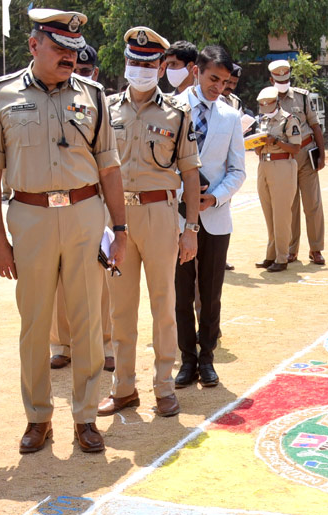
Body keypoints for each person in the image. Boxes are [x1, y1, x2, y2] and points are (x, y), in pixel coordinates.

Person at [0, 7, 127, 455]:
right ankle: (38, 417)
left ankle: (85, 417)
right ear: (34, 45)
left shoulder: (94, 94)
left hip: (84, 214)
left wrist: (119, 229)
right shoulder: (0, 94)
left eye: (74, 49)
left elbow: (110, 168)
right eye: (59, 47)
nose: (68, 56)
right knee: (35, 323)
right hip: (30, 217)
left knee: (88, 320)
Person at [97, 26, 200, 421]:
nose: (140, 69)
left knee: (164, 307)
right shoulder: (106, 109)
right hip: (116, 220)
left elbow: (190, 173)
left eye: (148, 63)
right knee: (120, 309)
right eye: (133, 62)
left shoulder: (178, 113)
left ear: (160, 68)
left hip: (159, 215)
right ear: (125, 65)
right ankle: (123, 388)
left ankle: (164, 387)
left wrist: (190, 229)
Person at [173, 44, 245, 390]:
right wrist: (181, 194)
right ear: (196, 72)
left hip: (215, 218)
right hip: (174, 216)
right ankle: (186, 359)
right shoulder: (171, 109)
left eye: (224, 81)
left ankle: (207, 358)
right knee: (181, 291)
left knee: (211, 291)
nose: (218, 86)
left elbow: (237, 171)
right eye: (213, 78)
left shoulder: (231, 118)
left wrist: (213, 197)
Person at [51, 42, 113, 374]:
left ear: (95, 73)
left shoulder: (99, 103)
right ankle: (63, 344)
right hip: (51, 202)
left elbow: (108, 161)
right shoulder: (43, 101)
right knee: (58, 276)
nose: (78, 75)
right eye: (74, 69)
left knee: (99, 276)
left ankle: (106, 342)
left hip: (91, 201)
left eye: (85, 71)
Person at [268, 59, 325, 265]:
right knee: (289, 205)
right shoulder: (268, 100)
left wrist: (322, 155)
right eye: (278, 80)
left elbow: (315, 126)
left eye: (286, 79)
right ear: (271, 79)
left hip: (307, 152)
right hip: (285, 157)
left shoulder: (302, 97)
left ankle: (316, 249)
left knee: (313, 203)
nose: (283, 83)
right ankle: (292, 250)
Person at [254, 85, 303, 272]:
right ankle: (271, 255)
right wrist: (257, 142)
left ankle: (282, 257)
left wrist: (275, 141)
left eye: (269, 104)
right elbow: (258, 147)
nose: (266, 108)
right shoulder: (263, 120)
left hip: (283, 165)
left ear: (277, 102)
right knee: (268, 213)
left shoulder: (289, 120)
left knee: (281, 214)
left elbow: (296, 148)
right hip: (264, 164)